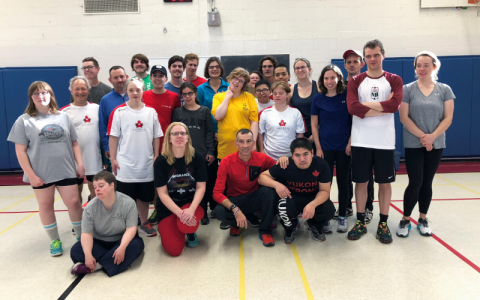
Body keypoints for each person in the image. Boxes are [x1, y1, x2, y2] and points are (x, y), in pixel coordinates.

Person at [7, 81, 84, 256]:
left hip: (65, 169)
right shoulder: (24, 121)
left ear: (50, 95)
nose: (41, 97)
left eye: (44, 93)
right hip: (41, 172)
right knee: (46, 205)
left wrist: (80, 164)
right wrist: (31, 175)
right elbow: (20, 152)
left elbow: (74, 144)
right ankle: (55, 240)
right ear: (31, 98)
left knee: (73, 203)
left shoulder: (63, 117)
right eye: (36, 94)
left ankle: (81, 237)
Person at [346, 39, 403, 244]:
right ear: (364, 59)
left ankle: (383, 223)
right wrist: (382, 107)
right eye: (368, 56)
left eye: (376, 55)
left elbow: (395, 105)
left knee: (384, 183)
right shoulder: (355, 81)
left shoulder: (394, 79)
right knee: (361, 182)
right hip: (361, 140)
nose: (372, 59)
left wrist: (366, 107)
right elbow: (352, 108)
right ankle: (360, 221)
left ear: (383, 56)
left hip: (385, 142)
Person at [396, 51, 455, 238]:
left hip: (436, 144)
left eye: (426, 65)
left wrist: (432, 137)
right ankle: (405, 219)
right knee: (415, 182)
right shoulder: (408, 89)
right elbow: (404, 117)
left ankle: (422, 219)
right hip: (414, 143)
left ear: (434, 66)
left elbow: (448, 118)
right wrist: (423, 136)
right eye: (418, 65)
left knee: (427, 182)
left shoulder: (444, 89)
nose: (422, 69)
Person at [108, 78, 163, 237]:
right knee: (126, 198)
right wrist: (113, 158)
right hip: (125, 164)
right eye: (131, 90)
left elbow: (156, 136)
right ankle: (128, 226)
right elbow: (113, 137)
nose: (135, 93)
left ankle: (144, 222)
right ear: (126, 91)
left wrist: (156, 155)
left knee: (144, 197)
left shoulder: (151, 112)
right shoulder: (119, 112)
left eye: (138, 90)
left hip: (145, 163)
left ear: (143, 92)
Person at [259, 138, 335, 244]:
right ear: (292, 155)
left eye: (305, 154)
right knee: (282, 206)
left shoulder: (321, 165)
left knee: (329, 210)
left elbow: (325, 191)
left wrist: (312, 205)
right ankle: (290, 228)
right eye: (297, 155)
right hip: (292, 198)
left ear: (312, 153)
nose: (302, 159)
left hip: (313, 197)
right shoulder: (286, 164)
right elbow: (261, 177)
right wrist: (276, 185)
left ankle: (314, 225)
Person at [70, 171, 145, 277]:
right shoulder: (90, 207)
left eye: (101, 186)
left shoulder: (128, 203)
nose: (97, 189)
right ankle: (112, 263)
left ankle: (97, 266)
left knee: (137, 245)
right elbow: (87, 234)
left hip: (120, 240)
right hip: (99, 242)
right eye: (95, 187)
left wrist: (122, 247)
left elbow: (131, 229)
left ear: (112, 185)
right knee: (76, 250)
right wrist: (88, 255)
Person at [213, 129, 277, 247]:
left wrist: (284, 161)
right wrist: (235, 210)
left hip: (254, 197)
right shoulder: (226, 162)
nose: (245, 145)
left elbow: (278, 170)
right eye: (241, 142)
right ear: (236, 144)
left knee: (269, 192)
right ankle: (236, 223)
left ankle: (265, 231)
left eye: (248, 141)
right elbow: (217, 193)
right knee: (218, 211)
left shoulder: (262, 158)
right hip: (235, 199)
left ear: (253, 143)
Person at [155, 122, 207, 256]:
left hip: (191, 205)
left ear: (187, 137)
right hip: (169, 208)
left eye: (182, 133)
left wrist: (190, 211)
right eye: (175, 133)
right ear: (169, 138)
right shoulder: (161, 161)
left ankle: (189, 230)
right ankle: (173, 227)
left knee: (190, 219)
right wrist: (180, 214)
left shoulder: (197, 157)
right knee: (174, 251)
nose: (179, 136)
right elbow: (163, 193)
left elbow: (201, 187)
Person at [311, 65, 351, 233]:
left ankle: (342, 216)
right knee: (324, 184)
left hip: (344, 148)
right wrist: (318, 147)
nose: (329, 81)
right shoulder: (318, 99)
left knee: (344, 183)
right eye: (326, 78)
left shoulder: (347, 96)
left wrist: (350, 143)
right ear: (322, 80)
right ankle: (325, 216)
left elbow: (355, 121)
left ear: (338, 79)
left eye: (332, 78)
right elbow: (314, 125)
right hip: (325, 148)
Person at [172, 82, 215, 225]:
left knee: (202, 185)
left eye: (190, 93)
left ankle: (203, 213)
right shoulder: (178, 112)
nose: (188, 96)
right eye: (184, 94)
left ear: (196, 94)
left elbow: (210, 132)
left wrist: (210, 150)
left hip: (201, 154)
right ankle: (188, 212)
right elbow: (173, 134)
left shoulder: (204, 111)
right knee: (187, 185)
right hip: (183, 155)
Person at [341, 49, 374, 223]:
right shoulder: (340, 87)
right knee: (345, 175)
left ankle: (368, 208)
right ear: (345, 65)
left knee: (366, 176)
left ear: (362, 63)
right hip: (342, 138)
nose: (352, 64)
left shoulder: (369, 85)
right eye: (349, 62)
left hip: (364, 137)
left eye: (355, 61)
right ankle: (346, 206)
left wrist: (353, 139)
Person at [61, 76, 102, 204]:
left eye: (83, 89)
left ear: (88, 91)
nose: (80, 92)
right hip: (73, 160)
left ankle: (95, 217)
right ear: (71, 91)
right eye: (77, 89)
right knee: (75, 191)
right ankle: (78, 219)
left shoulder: (97, 108)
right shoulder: (64, 113)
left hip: (94, 157)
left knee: (95, 189)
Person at [197, 57, 229, 221]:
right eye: (211, 67)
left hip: (227, 136)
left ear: (221, 69)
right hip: (209, 137)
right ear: (207, 70)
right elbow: (202, 112)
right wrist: (211, 134)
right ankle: (210, 205)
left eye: (217, 67)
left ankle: (222, 206)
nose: (214, 69)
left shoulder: (229, 87)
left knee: (224, 174)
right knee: (210, 173)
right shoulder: (201, 89)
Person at [212, 67, 259, 160]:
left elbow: (254, 122)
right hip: (225, 148)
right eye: (235, 78)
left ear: (244, 85)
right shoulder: (218, 97)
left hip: (245, 147)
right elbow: (217, 116)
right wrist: (227, 97)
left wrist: (253, 142)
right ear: (230, 78)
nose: (237, 82)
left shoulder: (249, 97)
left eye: (241, 81)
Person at [258, 81, 305, 161]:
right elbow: (260, 134)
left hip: (290, 156)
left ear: (287, 94)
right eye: (275, 93)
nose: (277, 96)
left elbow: (300, 134)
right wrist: (262, 151)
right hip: (270, 156)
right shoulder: (265, 113)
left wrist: (296, 152)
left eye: (281, 93)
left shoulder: (295, 112)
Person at [143, 65, 181, 150]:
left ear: (166, 79)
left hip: (166, 143)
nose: (157, 78)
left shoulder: (174, 97)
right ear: (151, 78)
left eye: (161, 76)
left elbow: (176, 122)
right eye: (155, 75)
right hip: (146, 142)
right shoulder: (143, 96)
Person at [98, 66, 129, 166]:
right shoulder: (105, 100)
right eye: (116, 78)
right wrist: (107, 146)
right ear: (110, 80)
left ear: (127, 77)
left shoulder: (136, 96)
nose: (119, 80)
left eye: (122, 76)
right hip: (116, 146)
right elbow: (103, 125)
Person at [290, 58, 319, 149]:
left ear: (309, 69)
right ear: (294, 71)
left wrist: (316, 132)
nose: (300, 70)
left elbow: (325, 112)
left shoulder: (319, 87)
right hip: (298, 135)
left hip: (318, 133)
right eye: (297, 68)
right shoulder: (291, 90)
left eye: (303, 67)